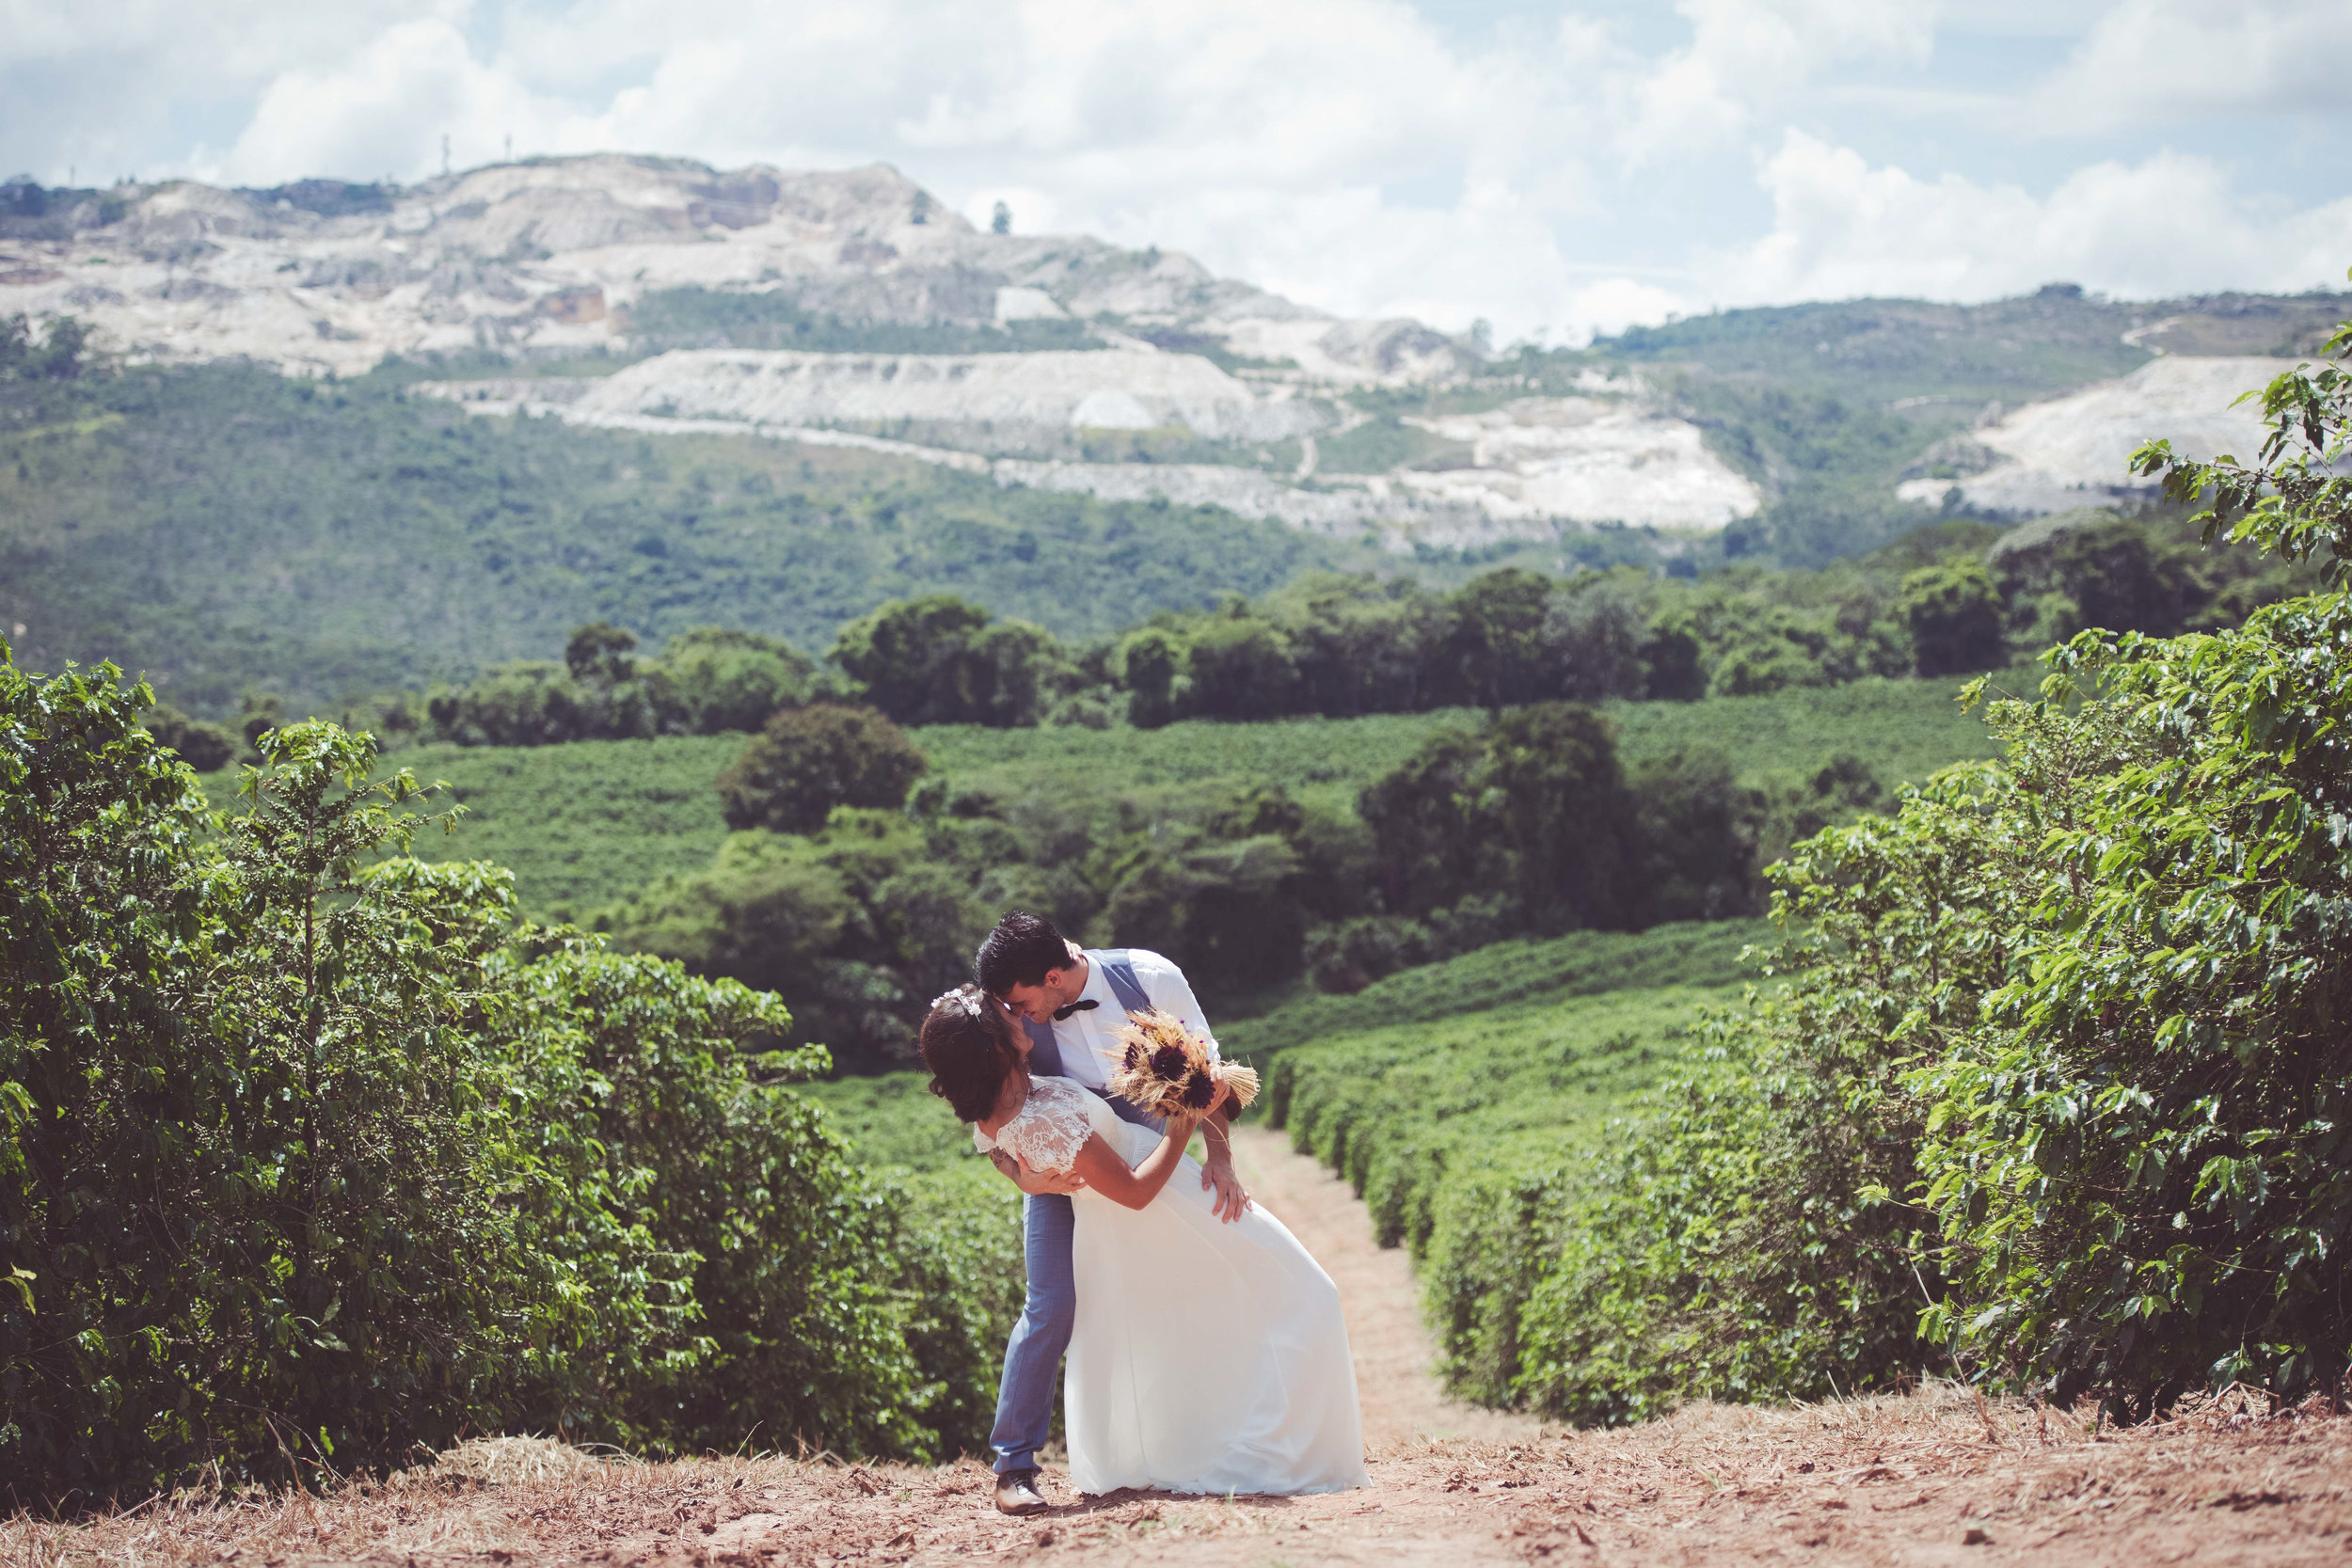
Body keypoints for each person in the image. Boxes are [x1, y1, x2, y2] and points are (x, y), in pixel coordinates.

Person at [919, 979, 1366, 1506]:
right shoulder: (1041, 1112)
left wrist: (1021, 1174)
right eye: (1008, 1015)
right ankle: (1014, 1467)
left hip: (1135, 1196)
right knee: (1290, 1288)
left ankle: (1215, 1432)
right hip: (1147, 1197)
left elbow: (994, 1137)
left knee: (1182, 1318)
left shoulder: (1012, 1085)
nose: (1021, 1016)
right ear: (993, 1048)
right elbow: (1132, 1193)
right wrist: (1183, 1120)